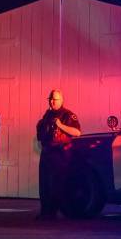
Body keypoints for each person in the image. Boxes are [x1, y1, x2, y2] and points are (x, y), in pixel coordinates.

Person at [36, 89, 81, 219]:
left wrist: (60, 125)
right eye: (50, 99)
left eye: (54, 99)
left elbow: (77, 132)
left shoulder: (68, 115)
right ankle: (45, 212)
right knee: (44, 183)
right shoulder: (47, 115)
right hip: (47, 153)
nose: (51, 101)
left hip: (60, 154)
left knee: (56, 183)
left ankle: (53, 212)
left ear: (61, 100)